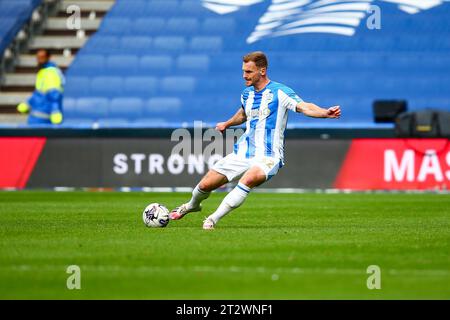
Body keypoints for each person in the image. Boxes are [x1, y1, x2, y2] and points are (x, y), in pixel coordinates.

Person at [169, 51, 341, 230]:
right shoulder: (246, 94)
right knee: (205, 185)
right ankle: (192, 205)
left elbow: (305, 107)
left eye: (249, 72)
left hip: (268, 156)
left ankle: (212, 219)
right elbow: (243, 114)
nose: (244, 75)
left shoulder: (280, 92)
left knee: (248, 179)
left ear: (262, 71)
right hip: (243, 152)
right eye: (243, 71)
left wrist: (324, 113)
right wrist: (227, 124)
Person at [17, 49, 65, 125]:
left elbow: (54, 94)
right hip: (35, 117)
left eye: (42, 57)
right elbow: (38, 93)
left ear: (48, 57)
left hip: (45, 119)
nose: (39, 60)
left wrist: (55, 111)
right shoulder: (43, 72)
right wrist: (28, 104)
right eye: (38, 57)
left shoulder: (50, 73)